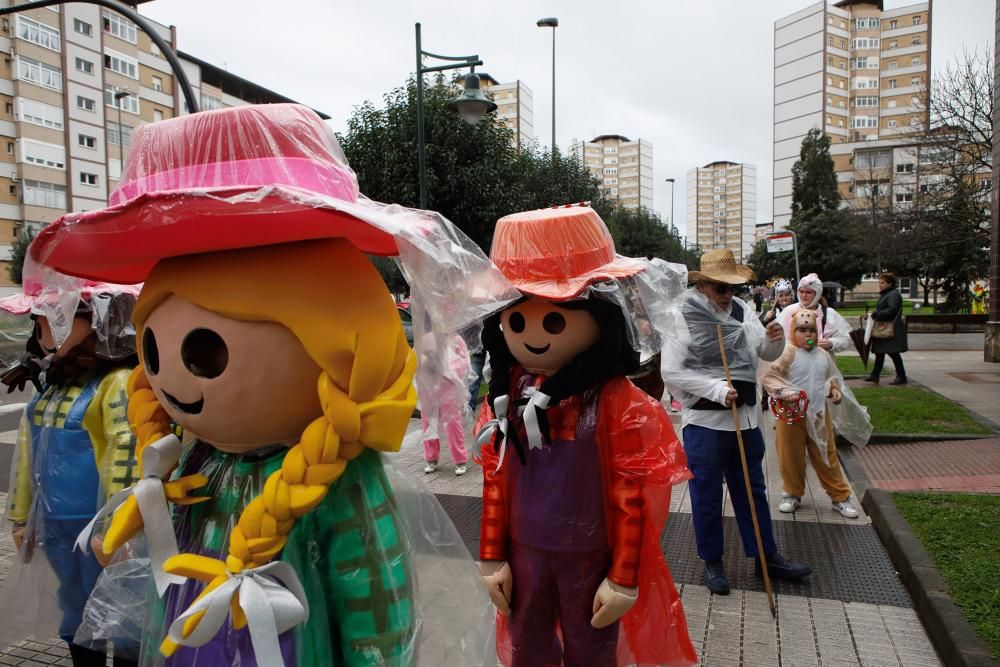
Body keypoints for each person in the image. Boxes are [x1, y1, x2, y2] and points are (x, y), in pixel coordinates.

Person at [30, 104, 497, 666]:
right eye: (154, 349)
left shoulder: (339, 484)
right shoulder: (193, 459)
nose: (172, 377)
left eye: (207, 352)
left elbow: (376, 607)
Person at [475, 205, 696, 667]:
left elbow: (629, 493)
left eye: (554, 320)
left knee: (592, 651)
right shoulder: (507, 398)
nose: (532, 336)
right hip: (524, 552)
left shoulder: (616, 402)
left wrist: (623, 575)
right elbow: (495, 481)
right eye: (517, 321)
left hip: (591, 557)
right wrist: (492, 555)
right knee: (527, 648)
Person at [0, 259, 141, 667]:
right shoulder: (50, 386)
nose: (44, 326)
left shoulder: (115, 385)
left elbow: (125, 459)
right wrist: (21, 516)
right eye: (40, 317)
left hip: (98, 528)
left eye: (57, 315)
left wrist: (121, 528)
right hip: (55, 525)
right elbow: (28, 454)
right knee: (72, 607)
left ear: (99, 320)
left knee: (120, 610)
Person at [662, 249, 811, 596]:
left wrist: (775, 343)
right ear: (703, 287)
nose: (729, 295)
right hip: (706, 423)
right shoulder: (684, 316)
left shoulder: (744, 310)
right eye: (720, 288)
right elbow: (671, 371)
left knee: (753, 492)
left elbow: (761, 354)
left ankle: (765, 556)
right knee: (707, 495)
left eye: (733, 288)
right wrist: (714, 388)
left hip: (744, 419)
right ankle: (712, 560)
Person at [762, 310, 871, 519]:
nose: (808, 335)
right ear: (793, 331)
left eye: (812, 330)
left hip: (819, 414)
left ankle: (840, 496)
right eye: (802, 330)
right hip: (791, 416)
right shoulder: (787, 353)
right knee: (790, 455)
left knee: (826, 455)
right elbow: (770, 377)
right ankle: (792, 493)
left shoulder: (822, 354)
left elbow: (828, 377)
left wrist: (834, 390)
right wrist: (785, 392)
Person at [420, 329, 470, 475]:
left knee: (453, 424)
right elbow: (416, 359)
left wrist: (447, 368)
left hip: (449, 387)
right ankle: (431, 458)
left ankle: (460, 459)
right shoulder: (425, 338)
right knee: (428, 422)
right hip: (429, 386)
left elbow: (465, 361)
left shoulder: (456, 339)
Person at [778, 273, 851, 355]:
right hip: (793, 363)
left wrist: (831, 343)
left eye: (808, 292)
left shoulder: (829, 314)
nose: (804, 295)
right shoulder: (788, 311)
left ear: (817, 294)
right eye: (801, 291)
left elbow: (845, 339)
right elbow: (777, 339)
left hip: (822, 363)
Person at [866, 272, 909, 385]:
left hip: (891, 328)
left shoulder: (893, 295)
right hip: (885, 327)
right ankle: (875, 375)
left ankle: (901, 376)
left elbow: (892, 310)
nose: (880, 285)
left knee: (893, 352)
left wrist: (875, 314)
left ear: (890, 284)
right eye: (879, 282)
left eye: (882, 283)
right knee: (880, 352)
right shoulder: (888, 294)